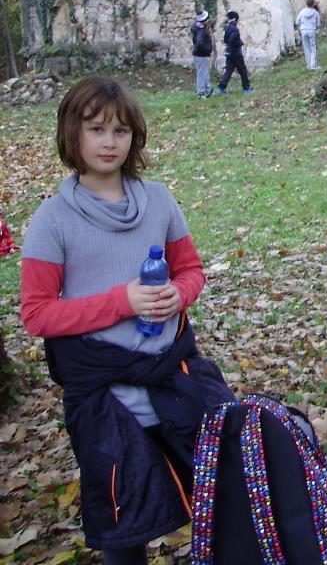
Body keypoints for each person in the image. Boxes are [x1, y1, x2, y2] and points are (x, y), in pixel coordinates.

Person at [19, 76, 233, 565]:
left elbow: (191, 270)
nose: (109, 142)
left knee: (221, 492)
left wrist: (177, 295)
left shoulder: (158, 201)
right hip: (105, 398)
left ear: (135, 137)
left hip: (172, 379)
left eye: (120, 130)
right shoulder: (52, 219)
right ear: (72, 133)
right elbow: (37, 314)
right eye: (96, 129)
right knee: (123, 522)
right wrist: (123, 301)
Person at [217, 10, 252, 95]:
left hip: (229, 52)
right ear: (236, 20)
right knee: (242, 70)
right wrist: (241, 43)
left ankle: (221, 88)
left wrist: (229, 46)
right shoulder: (235, 29)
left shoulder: (227, 28)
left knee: (228, 70)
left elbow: (225, 40)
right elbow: (232, 40)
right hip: (236, 53)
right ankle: (246, 88)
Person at [191, 10, 214, 98]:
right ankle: (201, 92)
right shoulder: (202, 31)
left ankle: (208, 89)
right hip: (202, 54)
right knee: (202, 73)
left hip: (199, 54)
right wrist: (207, 49)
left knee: (204, 72)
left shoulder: (196, 27)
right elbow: (200, 43)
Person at [296, 0, 322, 70]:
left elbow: (297, 21)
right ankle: (313, 65)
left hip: (303, 30)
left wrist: (301, 26)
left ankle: (309, 65)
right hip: (312, 30)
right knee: (313, 48)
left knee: (306, 48)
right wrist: (315, 27)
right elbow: (318, 24)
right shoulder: (315, 12)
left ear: (306, 4)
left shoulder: (302, 11)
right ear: (313, 4)